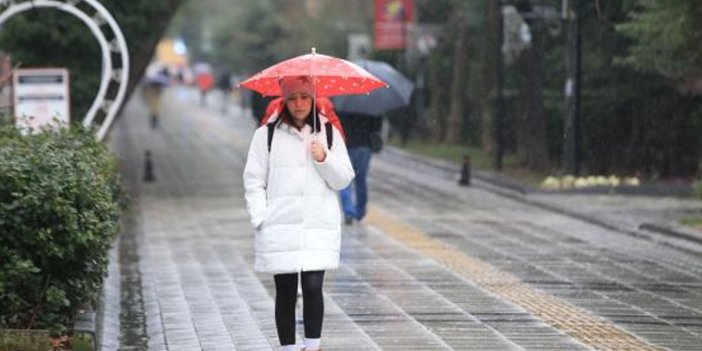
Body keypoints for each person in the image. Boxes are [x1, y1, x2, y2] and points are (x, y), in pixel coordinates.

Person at [243, 75, 354, 351]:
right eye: (292, 98)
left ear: (314, 98)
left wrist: (323, 158)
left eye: (305, 97)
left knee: (314, 287)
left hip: (317, 224)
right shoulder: (266, 135)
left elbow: (344, 178)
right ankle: (288, 348)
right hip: (280, 225)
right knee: (286, 292)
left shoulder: (328, 133)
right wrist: (260, 217)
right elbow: (253, 178)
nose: (299, 103)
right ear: (284, 100)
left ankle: (313, 346)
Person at [338, 112, 382, 224]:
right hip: (364, 147)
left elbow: (338, 125)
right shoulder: (370, 107)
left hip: (348, 147)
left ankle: (348, 212)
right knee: (361, 181)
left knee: (345, 181)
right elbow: (377, 126)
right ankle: (360, 211)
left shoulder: (343, 106)